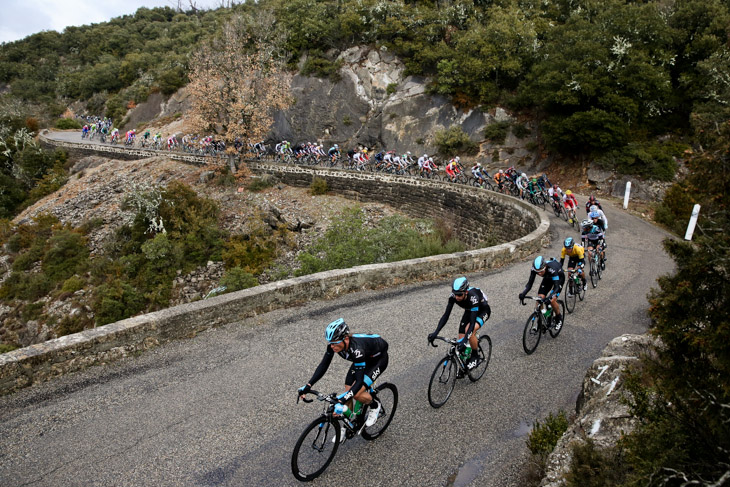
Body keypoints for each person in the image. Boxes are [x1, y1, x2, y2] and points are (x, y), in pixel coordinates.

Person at [298, 319, 388, 432]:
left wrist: (341, 400)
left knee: (357, 394)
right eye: (330, 343)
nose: (332, 346)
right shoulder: (333, 346)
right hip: (362, 359)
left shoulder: (356, 350)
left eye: (335, 343)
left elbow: (359, 382)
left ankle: (375, 405)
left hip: (377, 360)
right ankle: (348, 424)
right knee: (348, 390)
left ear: (345, 338)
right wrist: (308, 385)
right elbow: (323, 365)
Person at [428, 277, 491, 370]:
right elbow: (446, 316)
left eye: (459, 295)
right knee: (460, 341)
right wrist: (435, 332)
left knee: (469, 330)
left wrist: (466, 340)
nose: (457, 297)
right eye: (455, 294)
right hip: (469, 310)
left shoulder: (473, 298)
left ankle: (475, 355)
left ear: (466, 292)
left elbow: (472, 324)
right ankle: (464, 365)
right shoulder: (453, 297)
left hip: (482, 311)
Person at [519, 256, 565, 330]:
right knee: (539, 299)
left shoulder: (552, 269)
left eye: (541, 270)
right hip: (547, 278)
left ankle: (559, 318)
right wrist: (523, 293)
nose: (539, 273)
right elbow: (529, 284)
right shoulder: (534, 269)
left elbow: (556, 287)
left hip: (559, 278)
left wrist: (550, 297)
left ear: (545, 266)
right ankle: (540, 322)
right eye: (537, 271)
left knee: (552, 300)